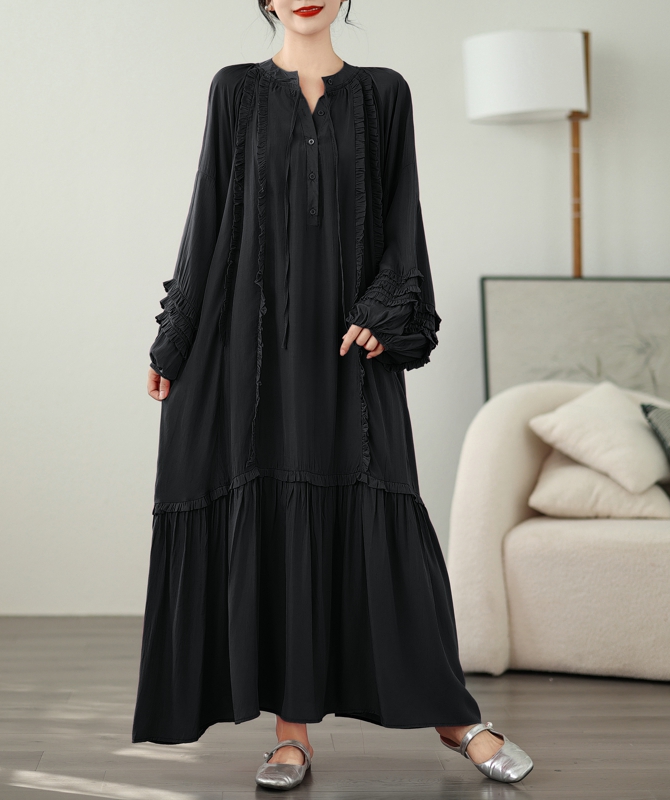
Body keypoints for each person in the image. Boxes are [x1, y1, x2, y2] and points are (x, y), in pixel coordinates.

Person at [132, 0, 534, 790]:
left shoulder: (385, 93)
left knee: (386, 520)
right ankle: (291, 735)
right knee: (276, 523)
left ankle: (453, 718)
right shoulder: (235, 90)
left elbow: (402, 220)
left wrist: (386, 313)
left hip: (350, 349)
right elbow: (207, 216)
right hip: (247, 354)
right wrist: (175, 340)